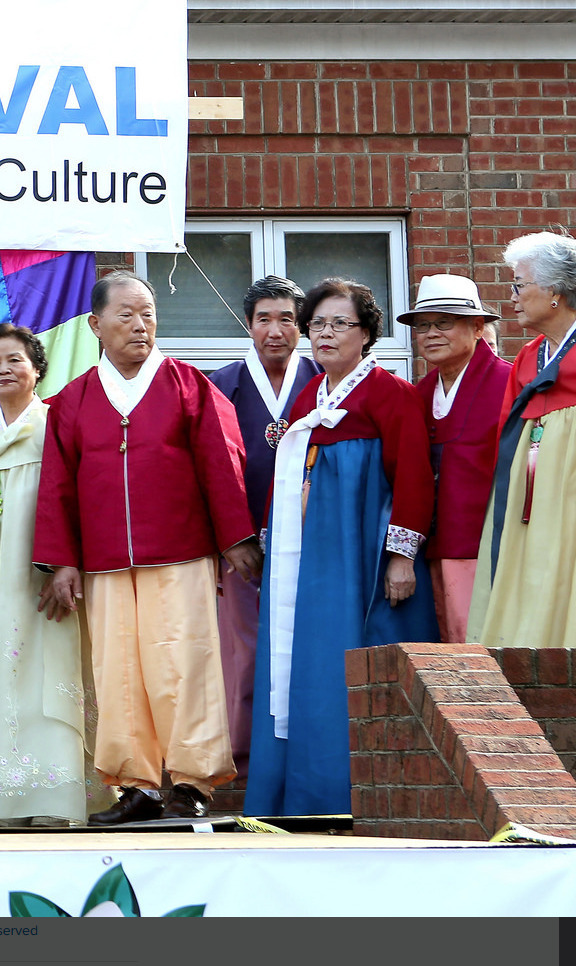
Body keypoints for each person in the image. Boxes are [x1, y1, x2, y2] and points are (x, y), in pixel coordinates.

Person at [34, 271, 256, 825]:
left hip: (181, 550)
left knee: (185, 662)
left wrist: (234, 539)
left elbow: (222, 461)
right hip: (105, 559)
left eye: (149, 314)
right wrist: (61, 561)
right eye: (126, 315)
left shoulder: (189, 386)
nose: (140, 326)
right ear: (96, 325)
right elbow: (57, 485)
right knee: (118, 671)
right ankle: (136, 785)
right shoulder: (72, 400)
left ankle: (192, 781)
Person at [247, 278, 437, 816]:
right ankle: (302, 795)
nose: (325, 334)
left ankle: (353, 793)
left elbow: (415, 479)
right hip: (308, 562)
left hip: (360, 556)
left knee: (349, 661)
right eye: (318, 324)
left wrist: (401, 556)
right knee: (304, 664)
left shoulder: (390, 393)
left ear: (368, 333)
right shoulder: (310, 397)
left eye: (339, 324)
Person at [0, 324, 98, 826]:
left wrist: (67, 564)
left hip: (41, 585)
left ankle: (52, 796)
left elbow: (79, 503)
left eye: (15, 360)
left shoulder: (58, 425)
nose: (4, 370)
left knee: (44, 678)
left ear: (36, 369)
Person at [206, 275, 319, 776]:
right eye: (264, 320)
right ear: (248, 325)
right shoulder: (221, 383)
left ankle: (305, 753)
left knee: (305, 642)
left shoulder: (323, 380)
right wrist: (232, 539)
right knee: (244, 651)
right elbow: (208, 468)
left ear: (303, 326)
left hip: (309, 538)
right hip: (243, 544)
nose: (275, 331)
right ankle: (243, 761)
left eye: (287, 320)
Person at [471, 231, 576, 649]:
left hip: (568, 485)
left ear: (553, 291)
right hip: (527, 490)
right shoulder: (529, 357)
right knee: (527, 562)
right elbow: (505, 431)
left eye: (520, 284)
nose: (511, 296)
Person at [401, 274, 510, 643]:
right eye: (423, 325)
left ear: (478, 327)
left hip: (489, 549)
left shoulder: (511, 384)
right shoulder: (419, 392)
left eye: (444, 322)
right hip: (429, 549)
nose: (431, 333)